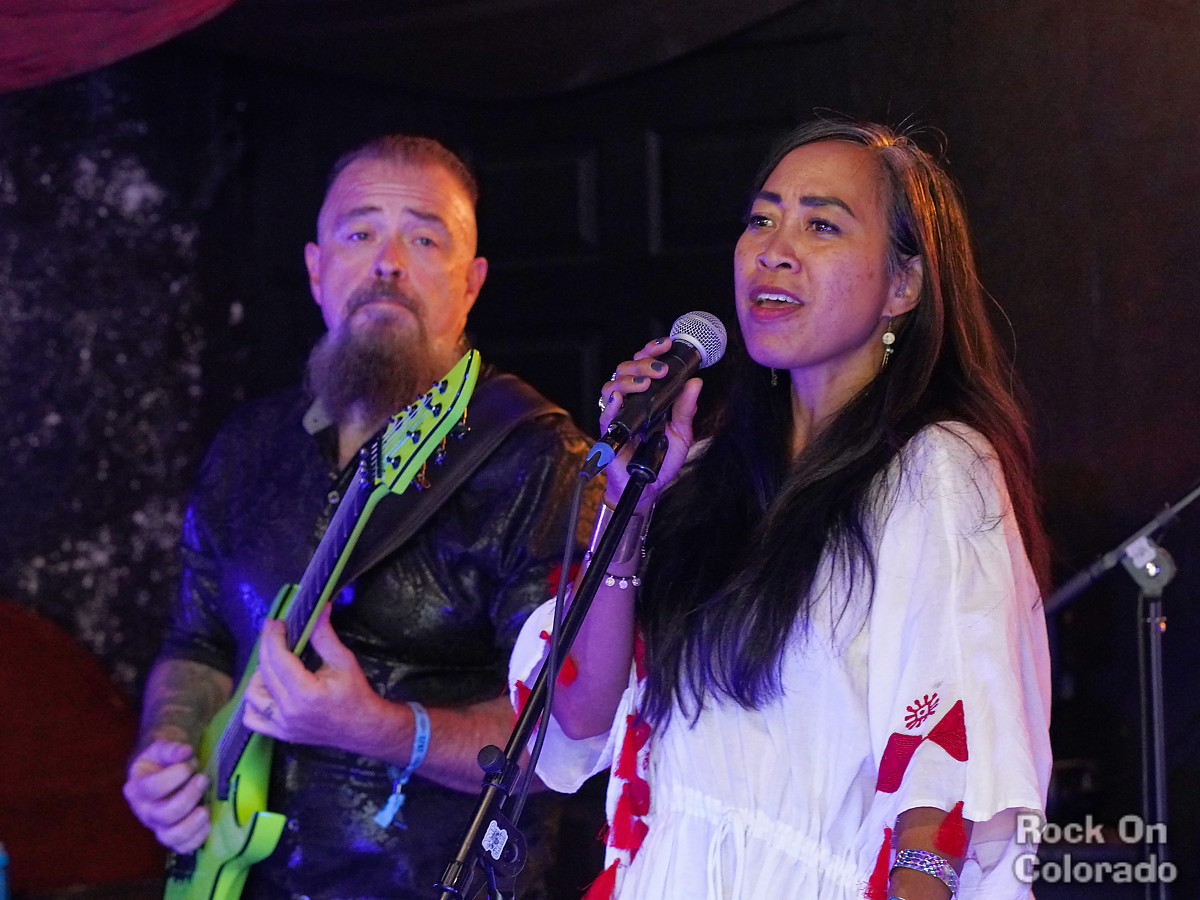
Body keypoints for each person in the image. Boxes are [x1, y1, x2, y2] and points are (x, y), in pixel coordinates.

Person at [510, 118, 1053, 899]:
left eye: (822, 226)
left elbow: (945, 777)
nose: (775, 249)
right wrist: (629, 508)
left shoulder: (934, 471)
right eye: (761, 219)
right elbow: (581, 718)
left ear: (902, 286)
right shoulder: (699, 475)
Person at [123, 134, 599, 899]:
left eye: (425, 238)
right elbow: (198, 641)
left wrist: (382, 729)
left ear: (471, 283)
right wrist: (168, 747)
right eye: (360, 233)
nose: (389, 263)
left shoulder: (540, 460)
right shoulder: (250, 445)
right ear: (317, 270)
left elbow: (565, 738)